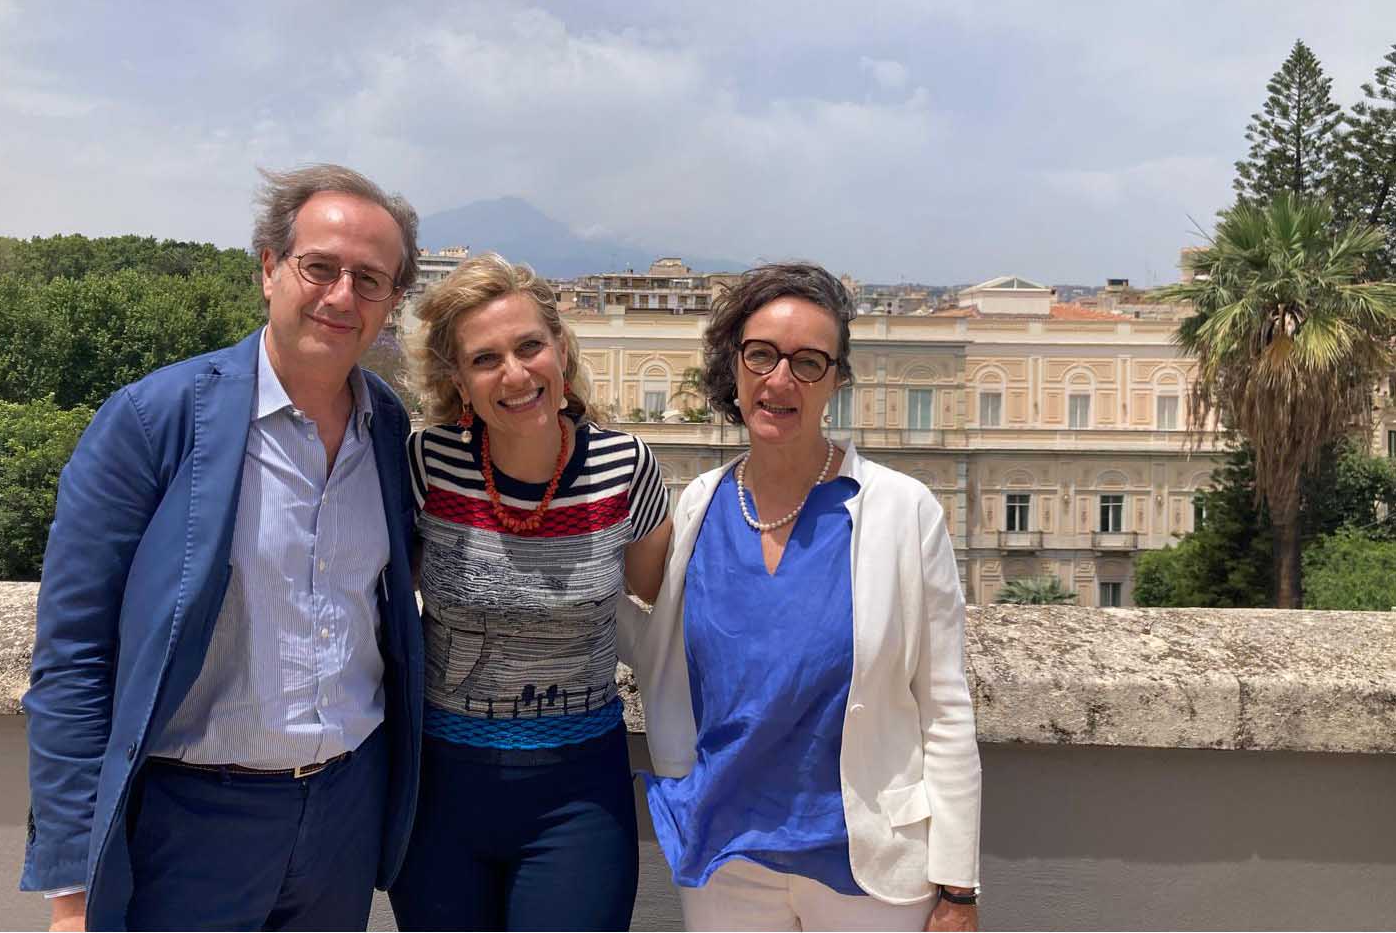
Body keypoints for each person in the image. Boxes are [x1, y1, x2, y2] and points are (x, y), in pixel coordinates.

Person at [20, 164, 425, 931]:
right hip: (189, 822)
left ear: (393, 302)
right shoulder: (153, 420)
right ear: (269, 267)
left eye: (370, 280)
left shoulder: (388, 427)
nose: (342, 296)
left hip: (343, 816)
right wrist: (72, 890)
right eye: (320, 267)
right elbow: (73, 655)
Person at [620, 262, 982, 932]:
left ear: (836, 380)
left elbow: (945, 703)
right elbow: (656, 654)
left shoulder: (900, 511)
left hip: (866, 864)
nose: (779, 379)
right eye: (761, 354)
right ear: (734, 365)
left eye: (807, 362)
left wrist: (957, 887)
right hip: (725, 855)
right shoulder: (698, 506)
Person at [388, 254, 672, 931]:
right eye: (485, 359)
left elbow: (662, 595)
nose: (513, 374)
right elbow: (385, 599)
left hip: (578, 797)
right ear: (458, 379)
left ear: (560, 349)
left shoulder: (624, 467)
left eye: (528, 346)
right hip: (439, 791)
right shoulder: (428, 463)